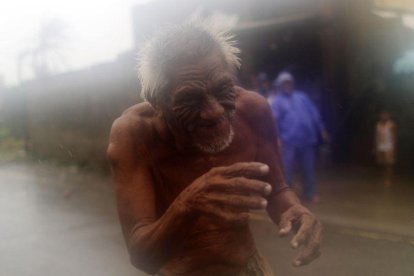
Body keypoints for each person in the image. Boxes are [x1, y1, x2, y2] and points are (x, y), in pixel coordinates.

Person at [107, 20, 321, 275]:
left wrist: (295, 211)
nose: (214, 111)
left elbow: (276, 190)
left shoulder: (253, 110)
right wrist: (188, 202)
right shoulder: (134, 134)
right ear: (157, 102)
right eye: (190, 99)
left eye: (223, 89)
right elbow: (143, 256)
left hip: (246, 267)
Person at [269, 72, 329, 203]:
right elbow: (274, 121)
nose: (287, 85)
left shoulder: (301, 97)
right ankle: (288, 197)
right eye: (284, 83)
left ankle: (310, 193)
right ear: (280, 85)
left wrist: (321, 128)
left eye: (289, 82)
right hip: (289, 140)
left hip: (307, 139)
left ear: (292, 84)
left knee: (308, 168)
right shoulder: (277, 102)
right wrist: (277, 138)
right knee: (287, 169)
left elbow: (313, 112)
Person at [375, 111, 396, 187]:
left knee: (388, 164)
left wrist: (393, 148)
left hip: (388, 146)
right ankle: (382, 178)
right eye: (382, 115)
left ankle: (388, 180)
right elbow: (376, 136)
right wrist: (376, 148)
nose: (384, 117)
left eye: (386, 115)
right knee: (381, 163)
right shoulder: (378, 124)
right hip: (380, 146)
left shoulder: (391, 124)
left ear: (388, 116)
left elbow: (394, 136)